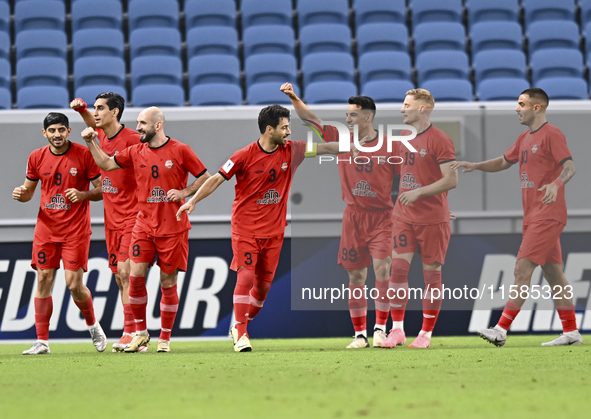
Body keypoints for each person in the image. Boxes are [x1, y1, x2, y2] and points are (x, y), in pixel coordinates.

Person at [176, 104, 356, 352]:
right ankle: (240, 332)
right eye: (284, 127)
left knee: (261, 292)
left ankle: (240, 325)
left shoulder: (293, 151)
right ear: (269, 130)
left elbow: (326, 148)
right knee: (246, 276)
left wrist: (355, 146)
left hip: (274, 233)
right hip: (246, 229)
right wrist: (193, 201)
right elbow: (216, 178)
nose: (289, 132)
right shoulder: (243, 155)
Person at [452, 88, 581, 347]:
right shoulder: (524, 137)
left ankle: (501, 329)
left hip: (547, 214)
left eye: (521, 104)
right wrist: (476, 165)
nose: (516, 108)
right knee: (555, 275)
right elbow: (503, 161)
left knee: (522, 269)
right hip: (533, 215)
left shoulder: (552, 134)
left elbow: (570, 166)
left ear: (537, 107)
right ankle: (572, 332)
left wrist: (556, 184)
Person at [80, 107, 210, 353]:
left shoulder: (181, 150)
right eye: (138, 122)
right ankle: (140, 333)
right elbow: (106, 164)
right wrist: (92, 142)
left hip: (173, 227)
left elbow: (206, 177)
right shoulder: (134, 151)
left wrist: (185, 193)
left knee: (167, 283)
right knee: (134, 276)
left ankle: (165, 338)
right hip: (143, 225)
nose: (137, 127)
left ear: (157, 125)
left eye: (142, 123)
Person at [280, 83, 398, 349]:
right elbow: (312, 121)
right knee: (355, 278)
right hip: (353, 218)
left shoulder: (391, 146)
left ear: (368, 117)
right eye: (346, 115)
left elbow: (412, 179)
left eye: (353, 115)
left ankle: (380, 329)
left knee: (382, 269)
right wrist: (295, 98)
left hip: (382, 217)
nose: (347, 119)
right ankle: (359, 335)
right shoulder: (343, 139)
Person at [12, 112, 106, 355]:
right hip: (46, 230)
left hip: (75, 230)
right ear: (44, 133)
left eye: (61, 130)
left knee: (74, 285)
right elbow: (30, 191)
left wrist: (83, 194)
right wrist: (23, 195)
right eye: (52, 130)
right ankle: (42, 341)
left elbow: (102, 189)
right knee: (43, 280)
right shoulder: (35, 157)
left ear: (68, 132)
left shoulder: (84, 154)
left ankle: (92, 325)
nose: (57, 135)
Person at [381, 88, 458, 349]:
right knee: (398, 270)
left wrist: (421, 194)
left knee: (431, 276)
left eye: (407, 105)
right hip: (403, 216)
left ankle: (425, 334)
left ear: (422, 109)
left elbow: (451, 179)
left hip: (432, 220)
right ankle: (398, 330)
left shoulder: (440, 140)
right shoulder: (404, 136)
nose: (402, 109)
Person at [71, 93, 142, 352]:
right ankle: (136, 331)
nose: (96, 113)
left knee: (126, 273)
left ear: (115, 112)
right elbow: (94, 127)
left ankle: (131, 333)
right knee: (120, 278)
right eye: (95, 109)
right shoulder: (100, 136)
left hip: (134, 216)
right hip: (111, 218)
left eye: (101, 109)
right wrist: (82, 111)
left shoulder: (134, 140)